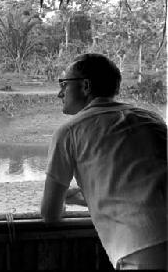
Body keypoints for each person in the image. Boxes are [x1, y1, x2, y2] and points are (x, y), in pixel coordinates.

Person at [40, 53, 167, 270]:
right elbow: (135, 185)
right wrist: (82, 197)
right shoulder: (150, 118)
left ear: (85, 86)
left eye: (64, 84)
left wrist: (64, 200)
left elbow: (50, 214)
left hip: (142, 246)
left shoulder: (70, 132)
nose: (59, 93)